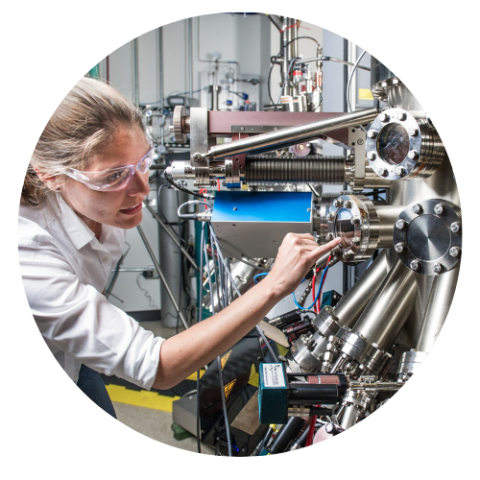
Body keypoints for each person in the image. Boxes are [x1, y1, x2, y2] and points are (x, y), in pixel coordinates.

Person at [18, 75, 341, 419]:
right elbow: (159, 366)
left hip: (73, 358)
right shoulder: (29, 252)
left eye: (143, 161)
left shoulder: (102, 205)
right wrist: (274, 285)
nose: (142, 188)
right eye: (113, 177)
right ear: (50, 176)